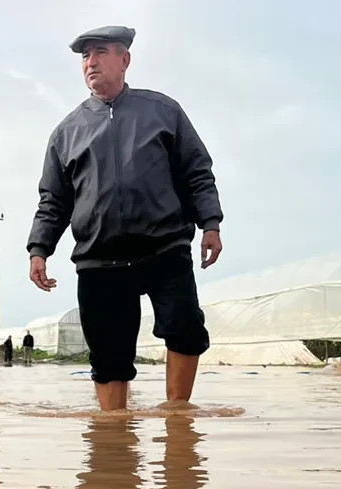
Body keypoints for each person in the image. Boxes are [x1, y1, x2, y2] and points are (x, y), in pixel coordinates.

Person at [26, 26, 224, 411]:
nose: (91, 62)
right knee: (108, 357)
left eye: (100, 52)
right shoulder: (66, 132)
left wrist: (210, 223)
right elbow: (53, 200)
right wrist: (39, 249)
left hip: (164, 248)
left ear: (125, 60)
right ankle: (114, 440)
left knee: (185, 330)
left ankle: (177, 420)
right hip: (99, 259)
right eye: (85, 57)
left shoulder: (163, 111)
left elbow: (197, 171)